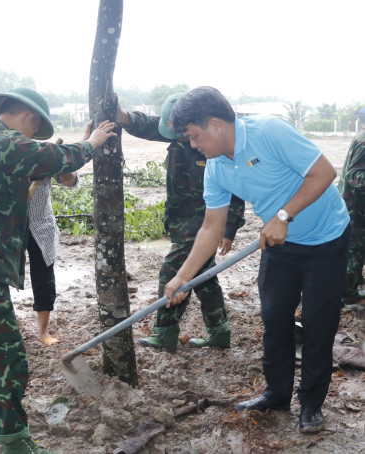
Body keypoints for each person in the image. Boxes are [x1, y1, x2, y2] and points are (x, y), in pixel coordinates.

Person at [0, 86, 116, 454]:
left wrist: (71, 158)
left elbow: (56, 165)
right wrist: (93, 143)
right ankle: (15, 441)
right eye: (34, 131)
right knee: (3, 355)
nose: (32, 137)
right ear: (29, 118)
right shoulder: (5, 142)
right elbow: (53, 156)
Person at [165, 86, 350, 434]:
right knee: (274, 317)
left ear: (216, 124)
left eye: (193, 136)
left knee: (317, 324)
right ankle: (277, 394)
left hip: (325, 240)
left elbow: (325, 173)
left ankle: (311, 403)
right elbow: (210, 227)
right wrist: (181, 278)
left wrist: (283, 215)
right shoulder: (216, 167)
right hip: (279, 247)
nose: (192, 145)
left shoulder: (270, 132)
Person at [118, 93, 245, 350]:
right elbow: (150, 125)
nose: (184, 138)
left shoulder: (211, 144)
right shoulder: (177, 132)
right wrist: (124, 117)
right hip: (180, 219)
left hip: (203, 221)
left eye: (186, 133)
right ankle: (219, 332)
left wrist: (230, 228)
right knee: (204, 277)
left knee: (173, 273)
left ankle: (165, 332)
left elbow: (236, 188)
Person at [27, 170, 78, 344]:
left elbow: (71, 181)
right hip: (9, 224)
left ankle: (43, 333)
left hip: (41, 224)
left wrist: (64, 168)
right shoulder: (3, 150)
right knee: (1, 275)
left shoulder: (46, 153)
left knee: (44, 277)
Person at [338, 118, 365, 308]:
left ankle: (352, 290)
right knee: (354, 251)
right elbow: (353, 175)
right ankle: (341, 297)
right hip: (354, 207)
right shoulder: (364, 141)